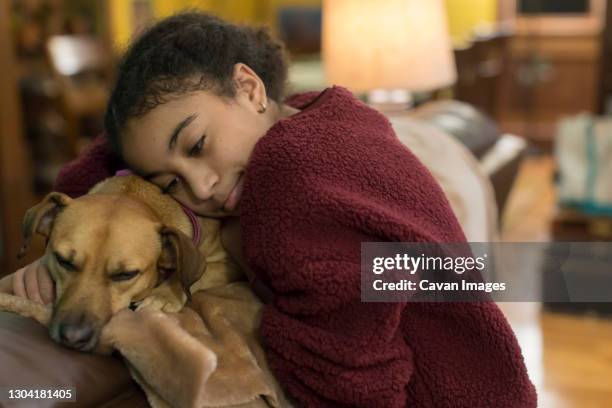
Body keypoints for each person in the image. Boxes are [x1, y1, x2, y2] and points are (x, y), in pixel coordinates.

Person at [8, 12, 536, 407]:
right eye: (169, 182)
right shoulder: (316, 115)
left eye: (195, 146)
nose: (203, 186)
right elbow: (114, 156)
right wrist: (67, 243)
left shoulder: (295, 175)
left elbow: (349, 370)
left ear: (249, 86)